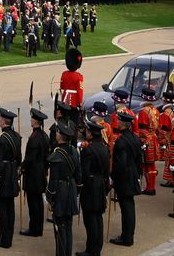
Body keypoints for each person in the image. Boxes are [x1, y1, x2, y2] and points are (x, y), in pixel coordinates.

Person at [0, 107, 22, 249]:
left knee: (2, 208)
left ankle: (4, 239)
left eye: (0, 119)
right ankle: (9, 235)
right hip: (13, 174)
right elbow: (19, 157)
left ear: (3, 121)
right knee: (10, 208)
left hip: (3, 177)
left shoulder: (1, 140)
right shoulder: (16, 136)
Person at [47, 121, 82, 256]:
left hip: (60, 192)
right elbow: (78, 174)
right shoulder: (74, 150)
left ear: (60, 136)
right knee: (68, 226)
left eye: (57, 133)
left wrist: (49, 196)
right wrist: (77, 190)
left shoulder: (57, 154)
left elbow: (54, 180)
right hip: (71, 188)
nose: (56, 134)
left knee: (60, 227)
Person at [110, 109, 142, 247]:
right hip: (133, 174)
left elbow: (120, 164)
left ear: (123, 124)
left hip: (125, 177)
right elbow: (139, 160)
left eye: (119, 121)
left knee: (126, 208)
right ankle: (128, 235)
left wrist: (113, 177)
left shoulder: (121, 141)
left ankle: (126, 237)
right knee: (129, 206)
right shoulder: (135, 138)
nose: (117, 123)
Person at [80, 119, 111, 256]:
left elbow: (84, 172)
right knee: (97, 217)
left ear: (91, 134)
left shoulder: (88, 150)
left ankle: (91, 250)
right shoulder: (104, 148)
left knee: (90, 218)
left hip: (90, 186)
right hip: (100, 184)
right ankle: (97, 246)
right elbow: (106, 171)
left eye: (87, 132)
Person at [21, 107, 49, 238]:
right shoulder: (44, 136)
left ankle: (34, 229)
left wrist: (21, 167)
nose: (31, 121)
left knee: (33, 203)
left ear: (36, 122)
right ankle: (39, 228)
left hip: (33, 174)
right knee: (38, 202)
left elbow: (30, 158)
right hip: (41, 171)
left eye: (32, 119)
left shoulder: (34, 138)